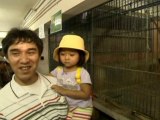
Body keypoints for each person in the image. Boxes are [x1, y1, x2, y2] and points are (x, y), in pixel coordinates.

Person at [0, 28, 68, 120]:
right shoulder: (2, 103)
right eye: (16, 53)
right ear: (7, 58)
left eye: (31, 52)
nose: (24, 60)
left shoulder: (56, 83)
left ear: (39, 56)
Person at [50, 34, 93, 120]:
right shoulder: (57, 70)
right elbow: (46, 79)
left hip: (82, 107)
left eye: (72, 55)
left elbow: (86, 94)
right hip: (65, 106)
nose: (66, 58)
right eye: (62, 54)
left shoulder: (82, 73)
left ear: (80, 56)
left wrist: (63, 90)